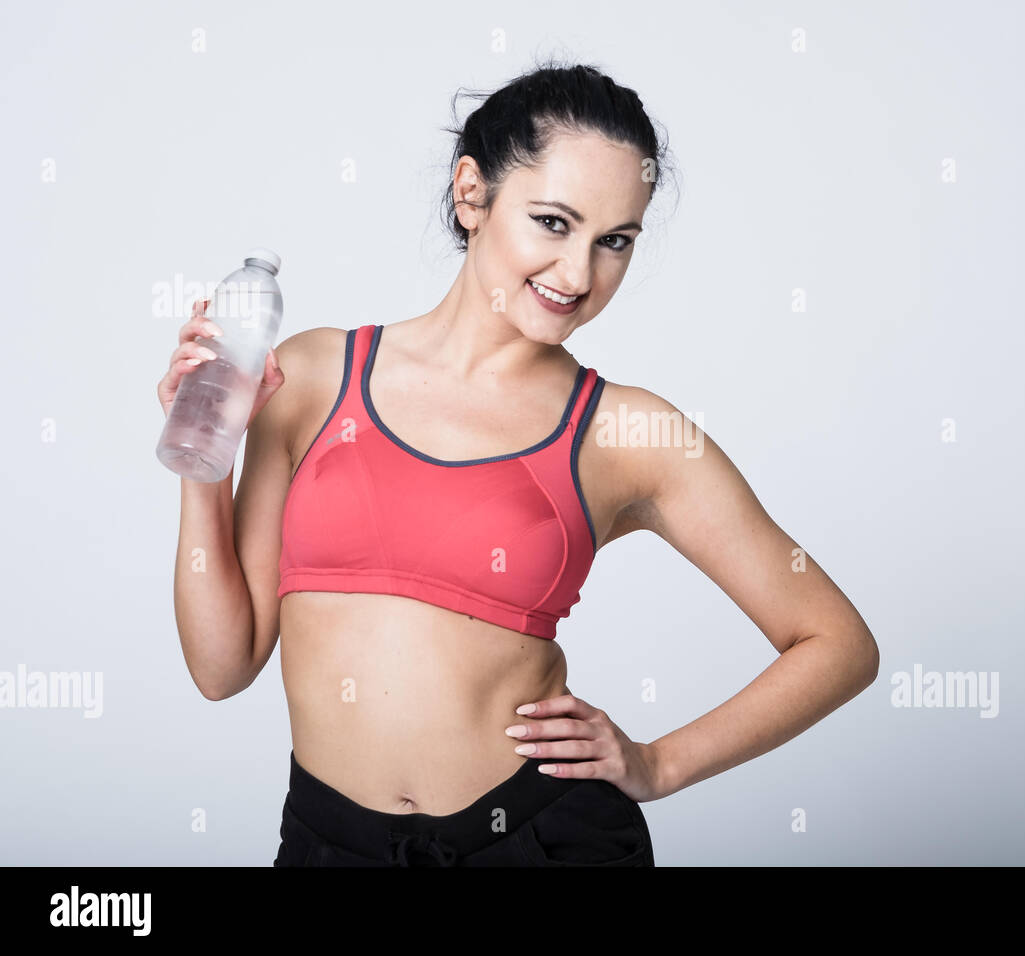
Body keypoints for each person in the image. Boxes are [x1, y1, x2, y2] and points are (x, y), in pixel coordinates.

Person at [159, 58, 879, 867]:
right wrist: (203, 456)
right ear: (473, 194)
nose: (579, 275)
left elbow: (836, 643)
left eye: (616, 242)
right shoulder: (313, 377)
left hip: (542, 840)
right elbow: (223, 667)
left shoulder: (626, 430)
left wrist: (661, 762)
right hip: (333, 846)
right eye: (553, 222)